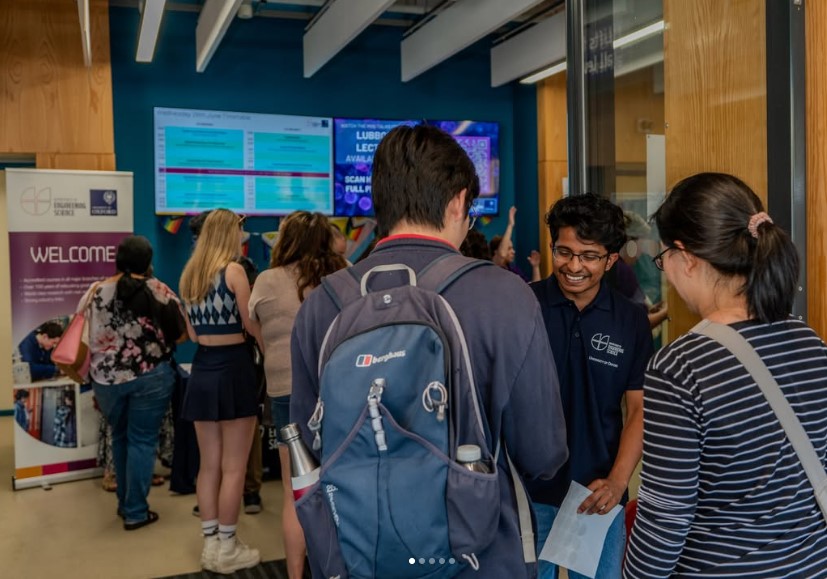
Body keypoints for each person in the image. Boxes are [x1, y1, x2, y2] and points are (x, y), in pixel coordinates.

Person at [291, 124, 568, 578]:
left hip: (358, 556)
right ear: (458, 202)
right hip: (479, 555)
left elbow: (309, 448)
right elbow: (543, 454)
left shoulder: (322, 305)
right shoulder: (505, 295)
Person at [624, 172, 827, 578]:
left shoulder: (679, 368)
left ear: (686, 257)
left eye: (663, 259)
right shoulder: (810, 342)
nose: (666, 272)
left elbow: (665, 518)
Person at [528, 193, 653, 579]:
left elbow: (638, 409)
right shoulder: (525, 306)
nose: (574, 266)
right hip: (530, 492)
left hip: (599, 492)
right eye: (564, 252)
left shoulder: (631, 320)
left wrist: (618, 481)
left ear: (611, 259)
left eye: (589, 256)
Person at [249, 210, 347, 579]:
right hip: (337, 390)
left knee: (296, 493)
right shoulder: (344, 274)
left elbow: (254, 326)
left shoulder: (267, 280)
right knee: (340, 485)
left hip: (285, 393)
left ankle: (294, 575)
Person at [179, 209, 262, 574]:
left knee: (209, 465)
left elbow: (192, 334)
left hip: (202, 369)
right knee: (234, 467)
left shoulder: (189, 275)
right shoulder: (234, 272)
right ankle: (228, 547)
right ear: (229, 233)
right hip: (234, 370)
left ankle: (211, 544)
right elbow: (251, 324)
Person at [84, 235, 185, 531]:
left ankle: (124, 504)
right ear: (148, 262)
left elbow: (82, 329)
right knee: (142, 440)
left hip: (105, 380)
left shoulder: (95, 291)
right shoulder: (159, 290)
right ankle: (136, 511)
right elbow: (180, 334)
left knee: (120, 436)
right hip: (150, 376)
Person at [491, 206, 541, 282]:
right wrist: (510, 225)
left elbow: (534, 287)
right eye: (509, 248)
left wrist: (535, 266)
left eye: (512, 248)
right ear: (495, 251)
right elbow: (502, 255)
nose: (513, 251)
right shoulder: (492, 266)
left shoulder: (513, 269)